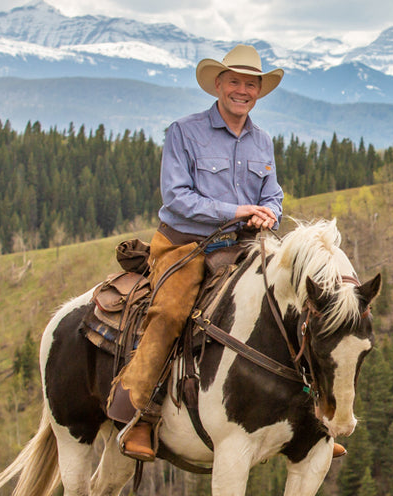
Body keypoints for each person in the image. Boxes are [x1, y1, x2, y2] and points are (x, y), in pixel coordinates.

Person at [108, 44, 285, 461]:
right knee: (170, 312)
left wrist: (268, 215)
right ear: (219, 85)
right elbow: (177, 198)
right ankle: (141, 413)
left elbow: (273, 194)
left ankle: (311, 416)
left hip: (243, 245)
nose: (242, 90)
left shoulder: (263, 141)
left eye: (251, 84)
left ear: (259, 91)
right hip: (187, 244)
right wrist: (237, 210)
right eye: (235, 82)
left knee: (292, 302)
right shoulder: (184, 131)